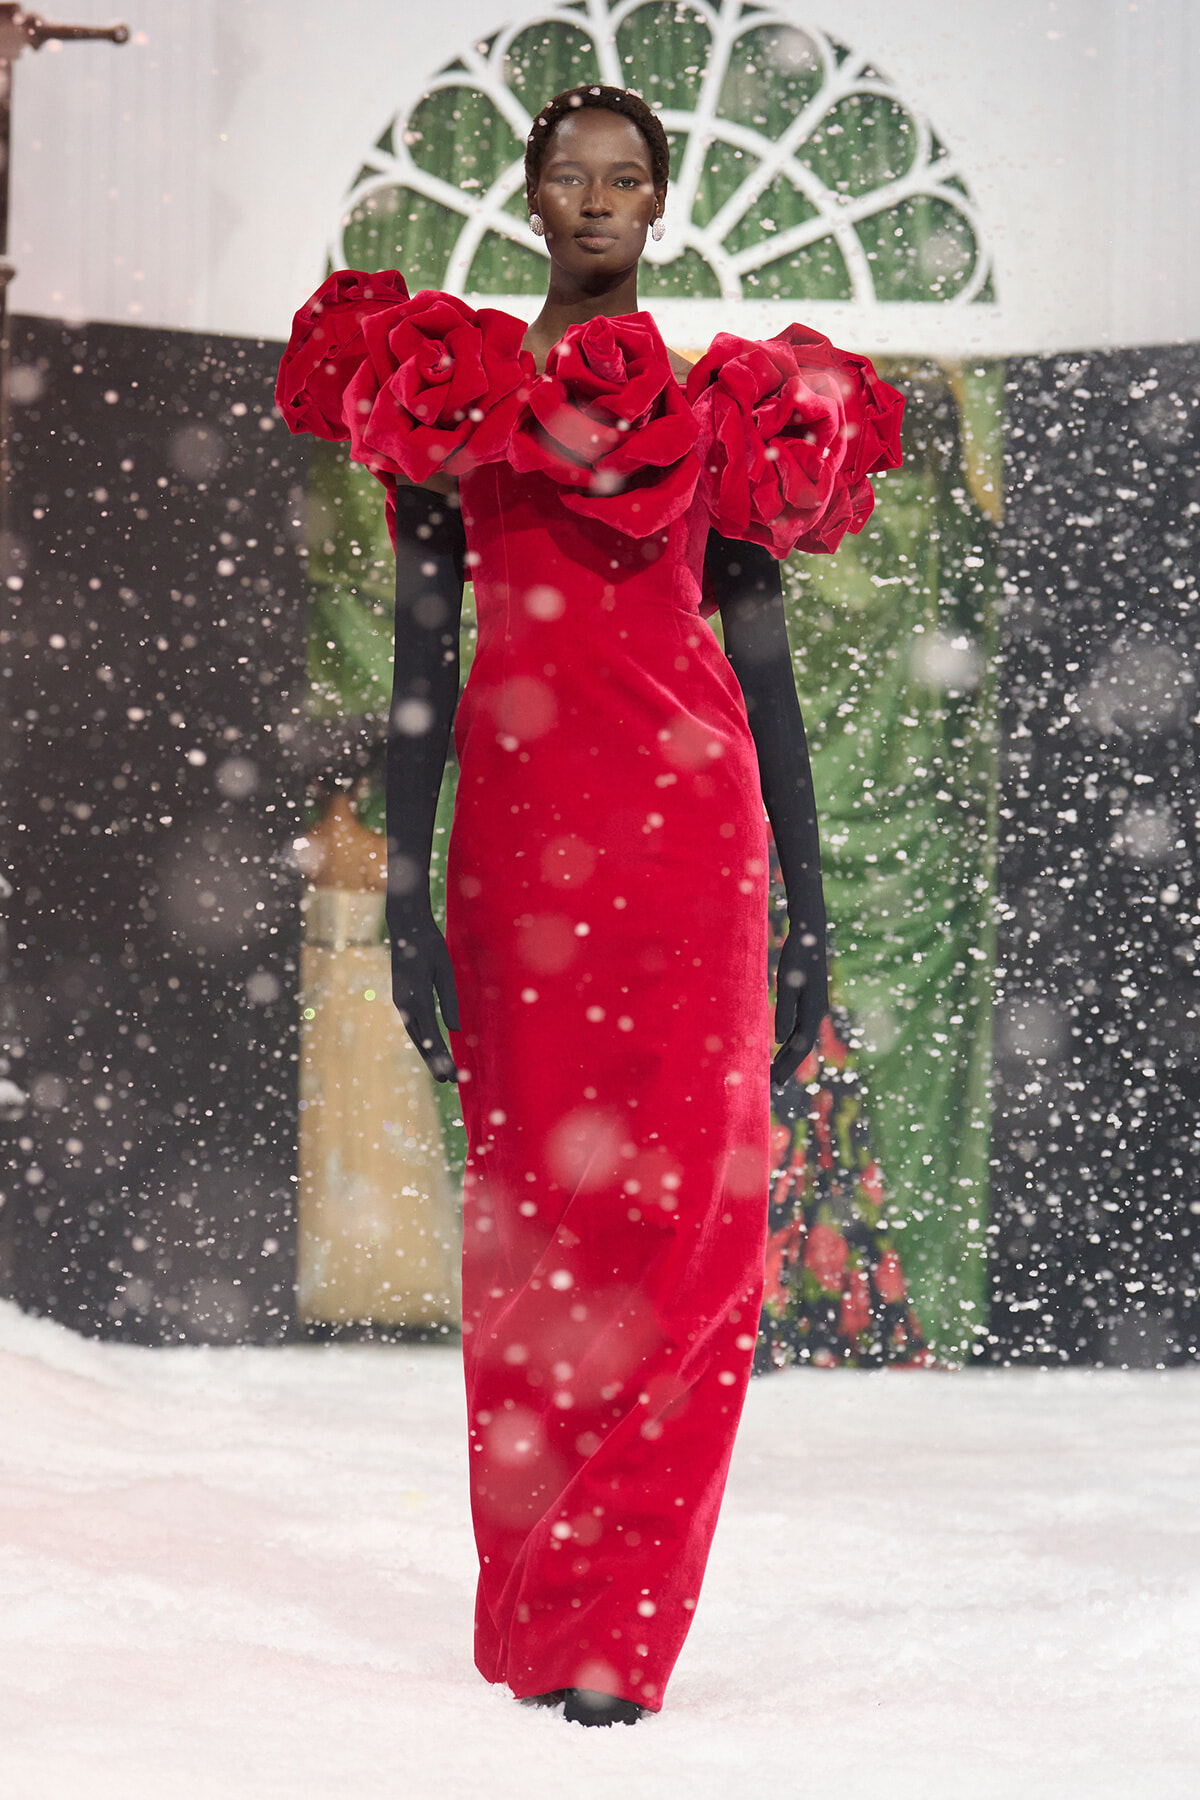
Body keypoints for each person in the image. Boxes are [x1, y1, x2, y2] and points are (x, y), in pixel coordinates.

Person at [277, 83, 902, 1728]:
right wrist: (405, 890)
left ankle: (617, 1632)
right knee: (535, 1241)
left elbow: (761, 670)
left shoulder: (719, 411)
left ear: (665, 198)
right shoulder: (452, 401)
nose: (601, 203)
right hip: (520, 852)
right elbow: (424, 672)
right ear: (532, 195)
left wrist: (812, 904)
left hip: (697, 857)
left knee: (693, 1247)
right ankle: (544, 1604)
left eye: (630, 178)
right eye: (574, 177)